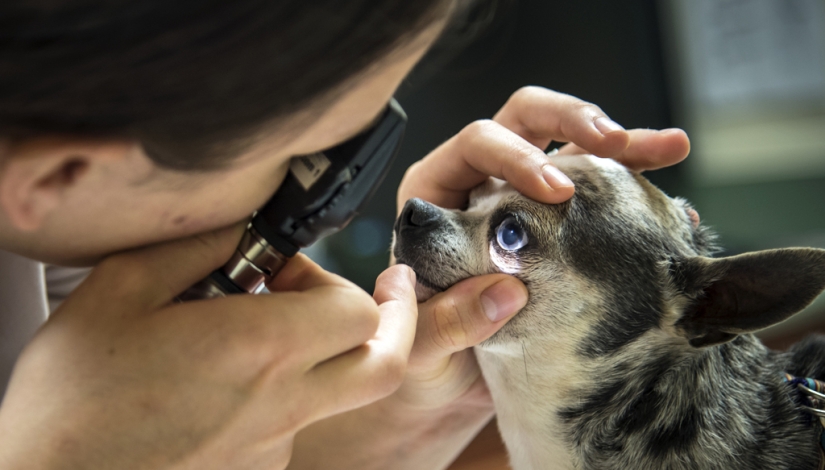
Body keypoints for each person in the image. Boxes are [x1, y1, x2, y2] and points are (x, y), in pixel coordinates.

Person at [0, 0, 690, 468]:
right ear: (56, 175)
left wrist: (434, 391)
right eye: (309, 157)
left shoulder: (65, 233)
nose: (331, 201)